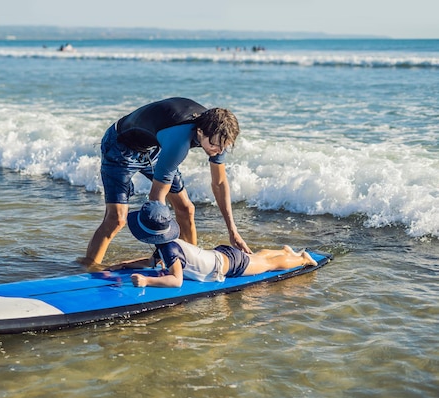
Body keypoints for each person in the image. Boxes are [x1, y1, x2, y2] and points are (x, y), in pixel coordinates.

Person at [82, 97, 251, 269]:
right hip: (120, 147)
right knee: (116, 219)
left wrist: (233, 231)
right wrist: (164, 253)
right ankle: (89, 268)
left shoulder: (218, 136)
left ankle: (189, 263)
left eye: (224, 147)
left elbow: (220, 183)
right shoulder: (178, 142)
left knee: (186, 209)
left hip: (153, 149)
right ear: (200, 132)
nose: (219, 151)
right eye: (215, 146)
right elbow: (156, 198)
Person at [107, 201, 317, 288]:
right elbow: (151, 261)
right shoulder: (167, 244)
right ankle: (284, 250)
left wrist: (146, 281)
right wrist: (125, 264)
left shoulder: (169, 249)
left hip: (230, 265)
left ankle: (300, 258)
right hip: (220, 255)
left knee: (271, 265)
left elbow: (176, 280)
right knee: (258, 258)